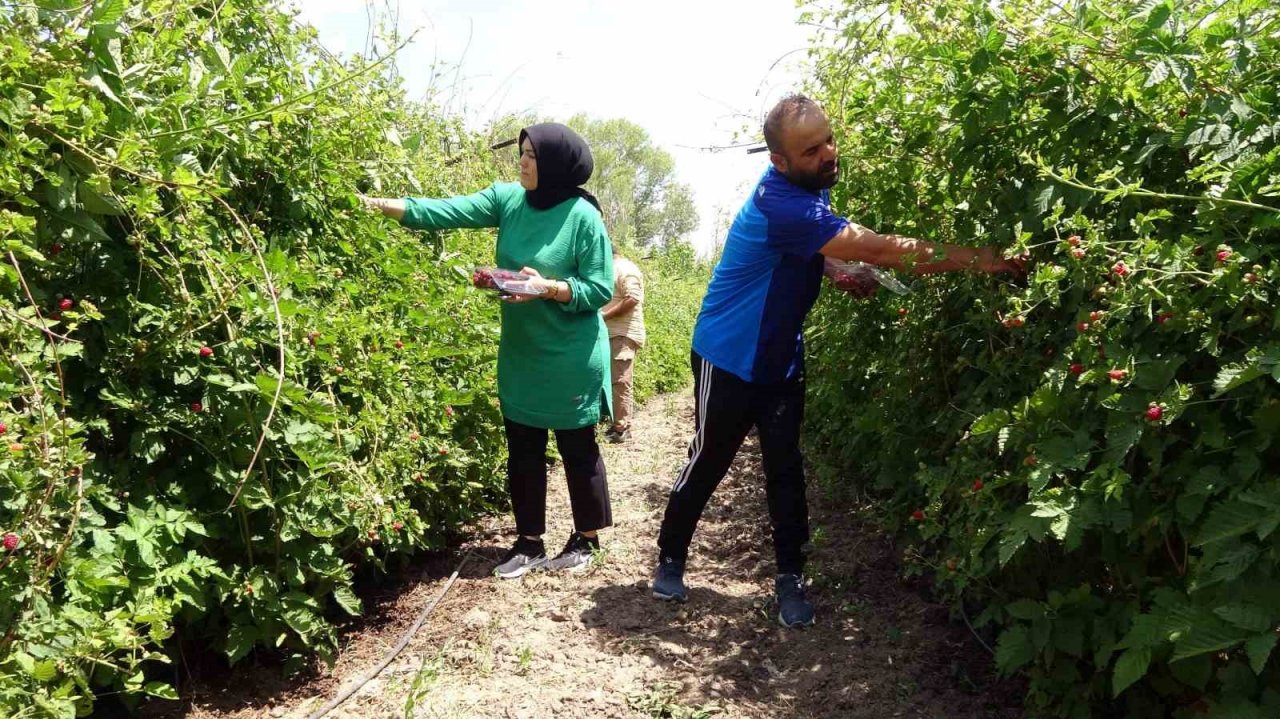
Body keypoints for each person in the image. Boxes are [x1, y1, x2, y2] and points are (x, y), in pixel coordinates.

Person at [651, 95, 1025, 627]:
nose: (828, 153)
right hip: (727, 356)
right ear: (779, 161)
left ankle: (789, 579)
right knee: (710, 458)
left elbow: (808, 248)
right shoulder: (782, 202)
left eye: (829, 139)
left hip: (780, 360)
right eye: (811, 149)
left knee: (785, 468)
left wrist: (836, 271)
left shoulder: (806, 187)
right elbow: (880, 248)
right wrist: (985, 261)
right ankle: (670, 556)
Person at [361, 123, 615, 578]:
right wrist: (376, 206)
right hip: (523, 351)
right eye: (521, 153)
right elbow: (442, 211)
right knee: (523, 445)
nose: (522, 162)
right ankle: (529, 542)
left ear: (556, 164)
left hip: (571, 356)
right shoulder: (508, 199)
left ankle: (586, 539)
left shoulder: (583, 216)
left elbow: (599, 289)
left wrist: (546, 288)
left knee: (577, 445)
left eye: (532, 156)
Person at [600, 244, 645, 443]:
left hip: (623, 334)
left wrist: (604, 316)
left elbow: (633, 298)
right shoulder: (613, 269)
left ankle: (621, 428)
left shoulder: (624, 269)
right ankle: (615, 422)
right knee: (613, 379)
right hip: (612, 334)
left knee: (620, 380)